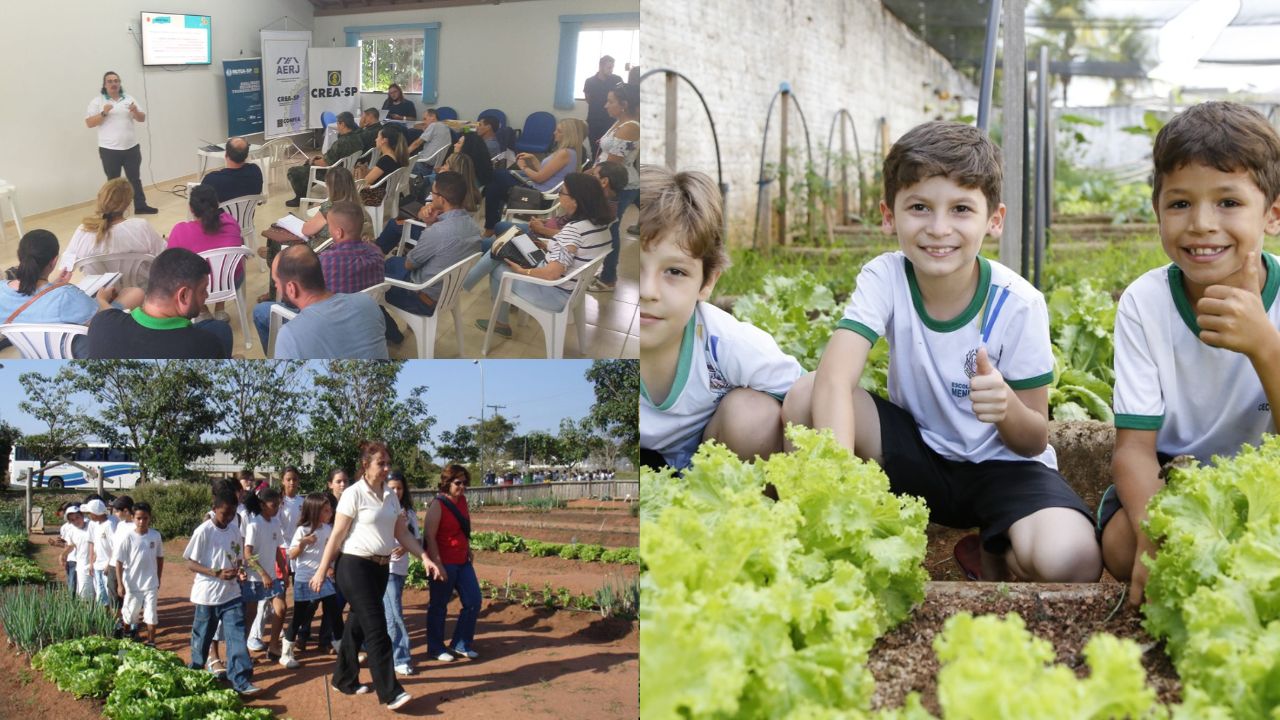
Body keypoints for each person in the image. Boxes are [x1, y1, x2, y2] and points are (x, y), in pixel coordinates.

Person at [781, 121, 1101, 583]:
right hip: (919, 454)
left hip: (1004, 468)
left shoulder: (1019, 302)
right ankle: (830, 539)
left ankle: (997, 552)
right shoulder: (885, 276)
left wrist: (1006, 406)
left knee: (1073, 561)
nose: (938, 228)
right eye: (919, 207)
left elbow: (1034, 438)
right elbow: (834, 378)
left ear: (994, 219)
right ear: (888, 216)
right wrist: (835, 488)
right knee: (806, 395)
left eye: (961, 209)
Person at [1098, 101, 1280, 604]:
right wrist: (1158, 532)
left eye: (1228, 202)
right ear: (1157, 210)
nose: (1201, 224)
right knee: (1120, 547)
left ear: (1273, 214)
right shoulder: (1145, 302)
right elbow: (1133, 450)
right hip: (1173, 486)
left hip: (1267, 493)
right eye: (1180, 204)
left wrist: (1264, 346)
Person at [637, 165, 802, 471]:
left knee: (753, 415)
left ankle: (757, 512)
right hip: (636, 471)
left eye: (675, 271)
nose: (647, 291)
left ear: (708, 282)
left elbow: (807, 397)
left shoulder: (724, 342)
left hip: (712, 463)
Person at [310, 441, 444, 711]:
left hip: (381, 569)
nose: (386, 468)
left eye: (387, 463)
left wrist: (426, 557)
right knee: (376, 627)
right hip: (354, 566)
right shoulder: (353, 494)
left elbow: (402, 534)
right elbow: (337, 534)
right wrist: (322, 568)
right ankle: (390, 691)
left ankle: (343, 678)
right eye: (380, 463)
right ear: (365, 465)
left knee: (357, 626)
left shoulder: (390, 496)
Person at [474, 173, 613, 339]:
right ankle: (464, 284)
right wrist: (546, 244)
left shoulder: (574, 229)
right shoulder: (600, 226)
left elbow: (551, 274)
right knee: (502, 252)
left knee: (498, 266)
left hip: (554, 293)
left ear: (576, 200)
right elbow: (575, 249)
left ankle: (500, 323)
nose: (559, 195)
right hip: (572, 290)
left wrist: (522, 272)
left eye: (562, 192)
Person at [255, 200, 384, 348]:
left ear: (338, 232)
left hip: (326, 322)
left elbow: (302, 297)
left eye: (329, 226)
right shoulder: (376, 253)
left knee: (261, 311)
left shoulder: (326, 261)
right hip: (363, 317)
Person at [0, 230, 139, 355]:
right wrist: (102, 299)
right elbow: (103, 322)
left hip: (32, 354)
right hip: (75, 354)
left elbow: (31, 302)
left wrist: (53, 285)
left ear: (20, 257)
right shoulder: (66, 294)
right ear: (54, 261)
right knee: (134, 293)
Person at [85, 247, 232, 358]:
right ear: (183, 296)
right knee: (220, 329)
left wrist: (102, 300)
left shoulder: (100, 324)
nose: (206, 295)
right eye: (202, 290)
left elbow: (110, 315)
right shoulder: (206, 345)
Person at [383, 172, 483, 328]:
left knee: (371, 280)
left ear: (441, 199)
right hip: (447, 292)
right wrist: (430, 224)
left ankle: (392, 333)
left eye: (433, 193)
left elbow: (410, 264)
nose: (431, 195)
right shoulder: (474, 227)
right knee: (393, 262)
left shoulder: (438, 231)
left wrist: (430, 227)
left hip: (420, 298)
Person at [184, 490, 259, 695]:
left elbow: (237, 558)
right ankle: (196, 673)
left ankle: (241, 681)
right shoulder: (204, 531)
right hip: (207, 596)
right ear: (214, 509)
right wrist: (215, 573)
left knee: (236, 637)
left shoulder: (235, 530)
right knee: (202, 639)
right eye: (224, 513)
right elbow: (190, 562)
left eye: (232, 513)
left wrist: (240, 571)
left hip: (231, 594)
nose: (228, 517)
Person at [269, 241, 389, 360]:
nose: (276, 287)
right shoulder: (368, 302)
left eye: (276, 282)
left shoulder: (289, 336)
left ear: (291, 288)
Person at [482, 119, 583, 237]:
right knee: (492, 188)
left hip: (539, 196)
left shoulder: (564, 153)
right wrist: (534, 159)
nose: (554, 132)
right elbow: (546, 173)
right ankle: (490, 226)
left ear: (567, 135)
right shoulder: (569, 152)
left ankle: (489, 224)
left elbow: (539, 178)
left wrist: (523, 166)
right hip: (538, 191)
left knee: (498, 174)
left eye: (558, 131)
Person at [424, 464, 482, 662]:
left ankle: (461, 643)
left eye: (465, 483)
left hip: (462, 561)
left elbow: (463, 529)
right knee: (439, 606)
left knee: (474, 601)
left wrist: (468, 549)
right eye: (458, 483)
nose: (462, 487)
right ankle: (435, 647)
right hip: (444, 562)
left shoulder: (463, 501)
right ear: (447, 483)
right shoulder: (437, 505)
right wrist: (437, 564)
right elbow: (429, 536)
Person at [590, 83, 641, 292]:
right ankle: (605, 273)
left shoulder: (630, 126)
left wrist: (587, 177)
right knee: (607, 228)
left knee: (610, 231)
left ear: (624, 104)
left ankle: (609, 278)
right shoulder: (619, 122)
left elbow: (613, 164)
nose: (605, 105)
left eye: (610, 101)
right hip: (606, 179)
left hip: (619, 184)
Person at [167, 185, 245, 322]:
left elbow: (171, 265)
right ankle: (220, 310)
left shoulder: (180, 231)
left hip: (197, 288)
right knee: (224, 266)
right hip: (231, 281)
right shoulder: (231, 222)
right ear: (217, 205)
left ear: (191, 209)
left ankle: (203, 311)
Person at [60, 178, 165, 277]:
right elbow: (163, 255)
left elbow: (66, 265)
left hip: (98, 293)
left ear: (100, 200)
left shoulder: (83, 230)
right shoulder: (141, 226)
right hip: (141, 291)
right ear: (128, 204)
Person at [85, 71, 156, 214]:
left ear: (119, 83)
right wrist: (104, 113)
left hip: (131, 148)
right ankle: (113, 211)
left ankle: (140, 206)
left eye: (116, 81)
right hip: (109, 150)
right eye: (110, 81)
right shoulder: (97, 101)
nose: (114, 83)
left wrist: (135, 111)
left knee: (135, 179)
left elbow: (141, 118)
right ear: (105, 85)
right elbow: (89, 123)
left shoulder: (128, 99)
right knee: (113, 182)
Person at [285, 493, 342, 666]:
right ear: (315, 511)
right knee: (299, 617)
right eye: (326, 510)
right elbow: (292, 555)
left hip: (322, 577)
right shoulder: (302, 530)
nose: (330, 513)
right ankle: (286, 653)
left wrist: (331, 559)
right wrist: (303, 543)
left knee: (334, 611)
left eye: (330, 509)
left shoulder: (327, 529)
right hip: (304, 579)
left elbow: (333, 551)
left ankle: (342, 648)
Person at [243, 487, 288, 660]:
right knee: (250, 616)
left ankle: (274, 646)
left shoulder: (275, 523)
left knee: (281, 609)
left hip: (273, 577)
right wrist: (263, 574)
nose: (276, 508)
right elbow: (247, 554)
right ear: (262, 505)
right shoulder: (254, 525)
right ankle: (243, 652)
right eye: (273, 504)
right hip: (255, 579)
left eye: (278, 504)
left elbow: (277, 550)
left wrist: (283, 571)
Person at [287, 111, 363, 207]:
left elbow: (325, 163)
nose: (337, 126)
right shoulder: (357, 137)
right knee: (307, 166)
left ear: (342, 124)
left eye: (337, 123)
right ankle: (304, 190)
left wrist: (313, 161)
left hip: (332, 172)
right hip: (345, 169)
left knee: (293, 171)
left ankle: (301, 197)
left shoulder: (341, 143)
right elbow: (335, 157)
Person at [114, 501, 163, 646]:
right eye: (138, 518)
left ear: (150, 518)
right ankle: (126, 640)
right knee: (129, 615)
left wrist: (158, 578)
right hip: (132, 584)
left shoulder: (155, 536)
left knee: (151, 615)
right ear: (133, 518)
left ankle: (151, 642)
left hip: (150, 584)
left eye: (145, 518)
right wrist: (120, 585)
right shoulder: (128, 537)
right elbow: (119, 562)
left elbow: (160, 558)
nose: (142, 521)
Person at [384, 472, 417, 676]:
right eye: (392, 487)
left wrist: (406, 547)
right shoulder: (381, 510)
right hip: (382, 567)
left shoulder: (409, 513)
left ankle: (392, 654)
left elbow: (416, 539)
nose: (396, 491)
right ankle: (400, 657)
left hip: (399, 569)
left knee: (391, 613)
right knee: (393, 614)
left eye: (399, 488)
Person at [316, 468, 351, 653]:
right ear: (330, 484)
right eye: (339, 481)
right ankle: (316, 638)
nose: (343, 484)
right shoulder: (325, 503)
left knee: (337, 600)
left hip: (346, 558)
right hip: (327, 560)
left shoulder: (352, 501)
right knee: (322, 602)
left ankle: (330, 638)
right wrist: (327, 565)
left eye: (346, 480)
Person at [583, 57, 622, 161]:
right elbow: (588, 99)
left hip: (612, 121)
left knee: (611, 149)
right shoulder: (590, 81)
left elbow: (622, 97)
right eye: (609, 67)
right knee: (595, 149)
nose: (611, 70)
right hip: (594, 120)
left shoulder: (617, 80)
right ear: (601, 66)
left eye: (612, 67)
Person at [201, 137, 263, 203]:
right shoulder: (255, 171)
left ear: (226, 155)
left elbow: (202, 206)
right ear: (247, 155)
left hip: (223, 213)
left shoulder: (211, 180)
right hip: (247, 213)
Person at [358, 125, 409, 205]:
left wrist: (360, 174)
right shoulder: (396, 156)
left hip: (377, 196)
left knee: (345, 191)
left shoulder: (386, 160)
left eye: (378, 137)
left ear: (384, 141)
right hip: (388, 194)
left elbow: (365, 182)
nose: (375, 140)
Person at [84, 499, 113, 607]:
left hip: (107, 566)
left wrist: (109, 564)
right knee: (100, 595)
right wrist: (92, 563)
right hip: (98, 566)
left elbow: (115, 547)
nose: (89, 515)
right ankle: (105, 620)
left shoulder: (109, 525)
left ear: (96, 512)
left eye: (90, 513)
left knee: (109, 593)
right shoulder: (96, 525)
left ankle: (116, 619)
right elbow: (95, 546)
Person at [406, 108, 452, 173]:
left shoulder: (433, 125)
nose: (424, 122)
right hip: (433, 167)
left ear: (432, 117)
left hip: (422, 164)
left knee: (397, 166)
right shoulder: (445, 127)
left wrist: (403, 154)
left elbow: (417, 143)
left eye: (425, 119)